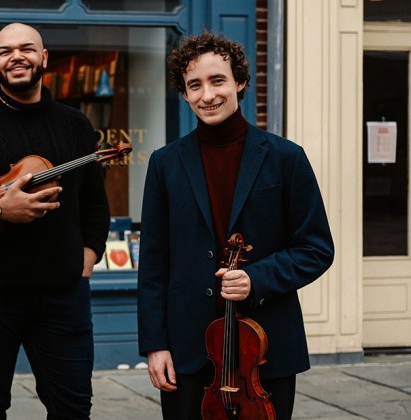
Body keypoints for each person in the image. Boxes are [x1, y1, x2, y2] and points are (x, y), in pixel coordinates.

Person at [137, 31, 334, 419]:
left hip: (263, 352)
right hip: (187, 349)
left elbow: (316, 249)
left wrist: (256, 279)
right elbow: (154, 264)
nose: (207, 95)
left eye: (217, 81)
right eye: (195, 85)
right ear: (184, 93)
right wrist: (155, 345)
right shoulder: (164, 163)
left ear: (240, 81)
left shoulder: (286, 158)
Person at [0, 22, 111, 419]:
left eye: (27, 48)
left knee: (72, 405)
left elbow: (96, 206)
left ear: (43, 58)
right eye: (7, 50)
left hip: (63, 295)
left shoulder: (75, 124)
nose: (18, 56)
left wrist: (87, 258)